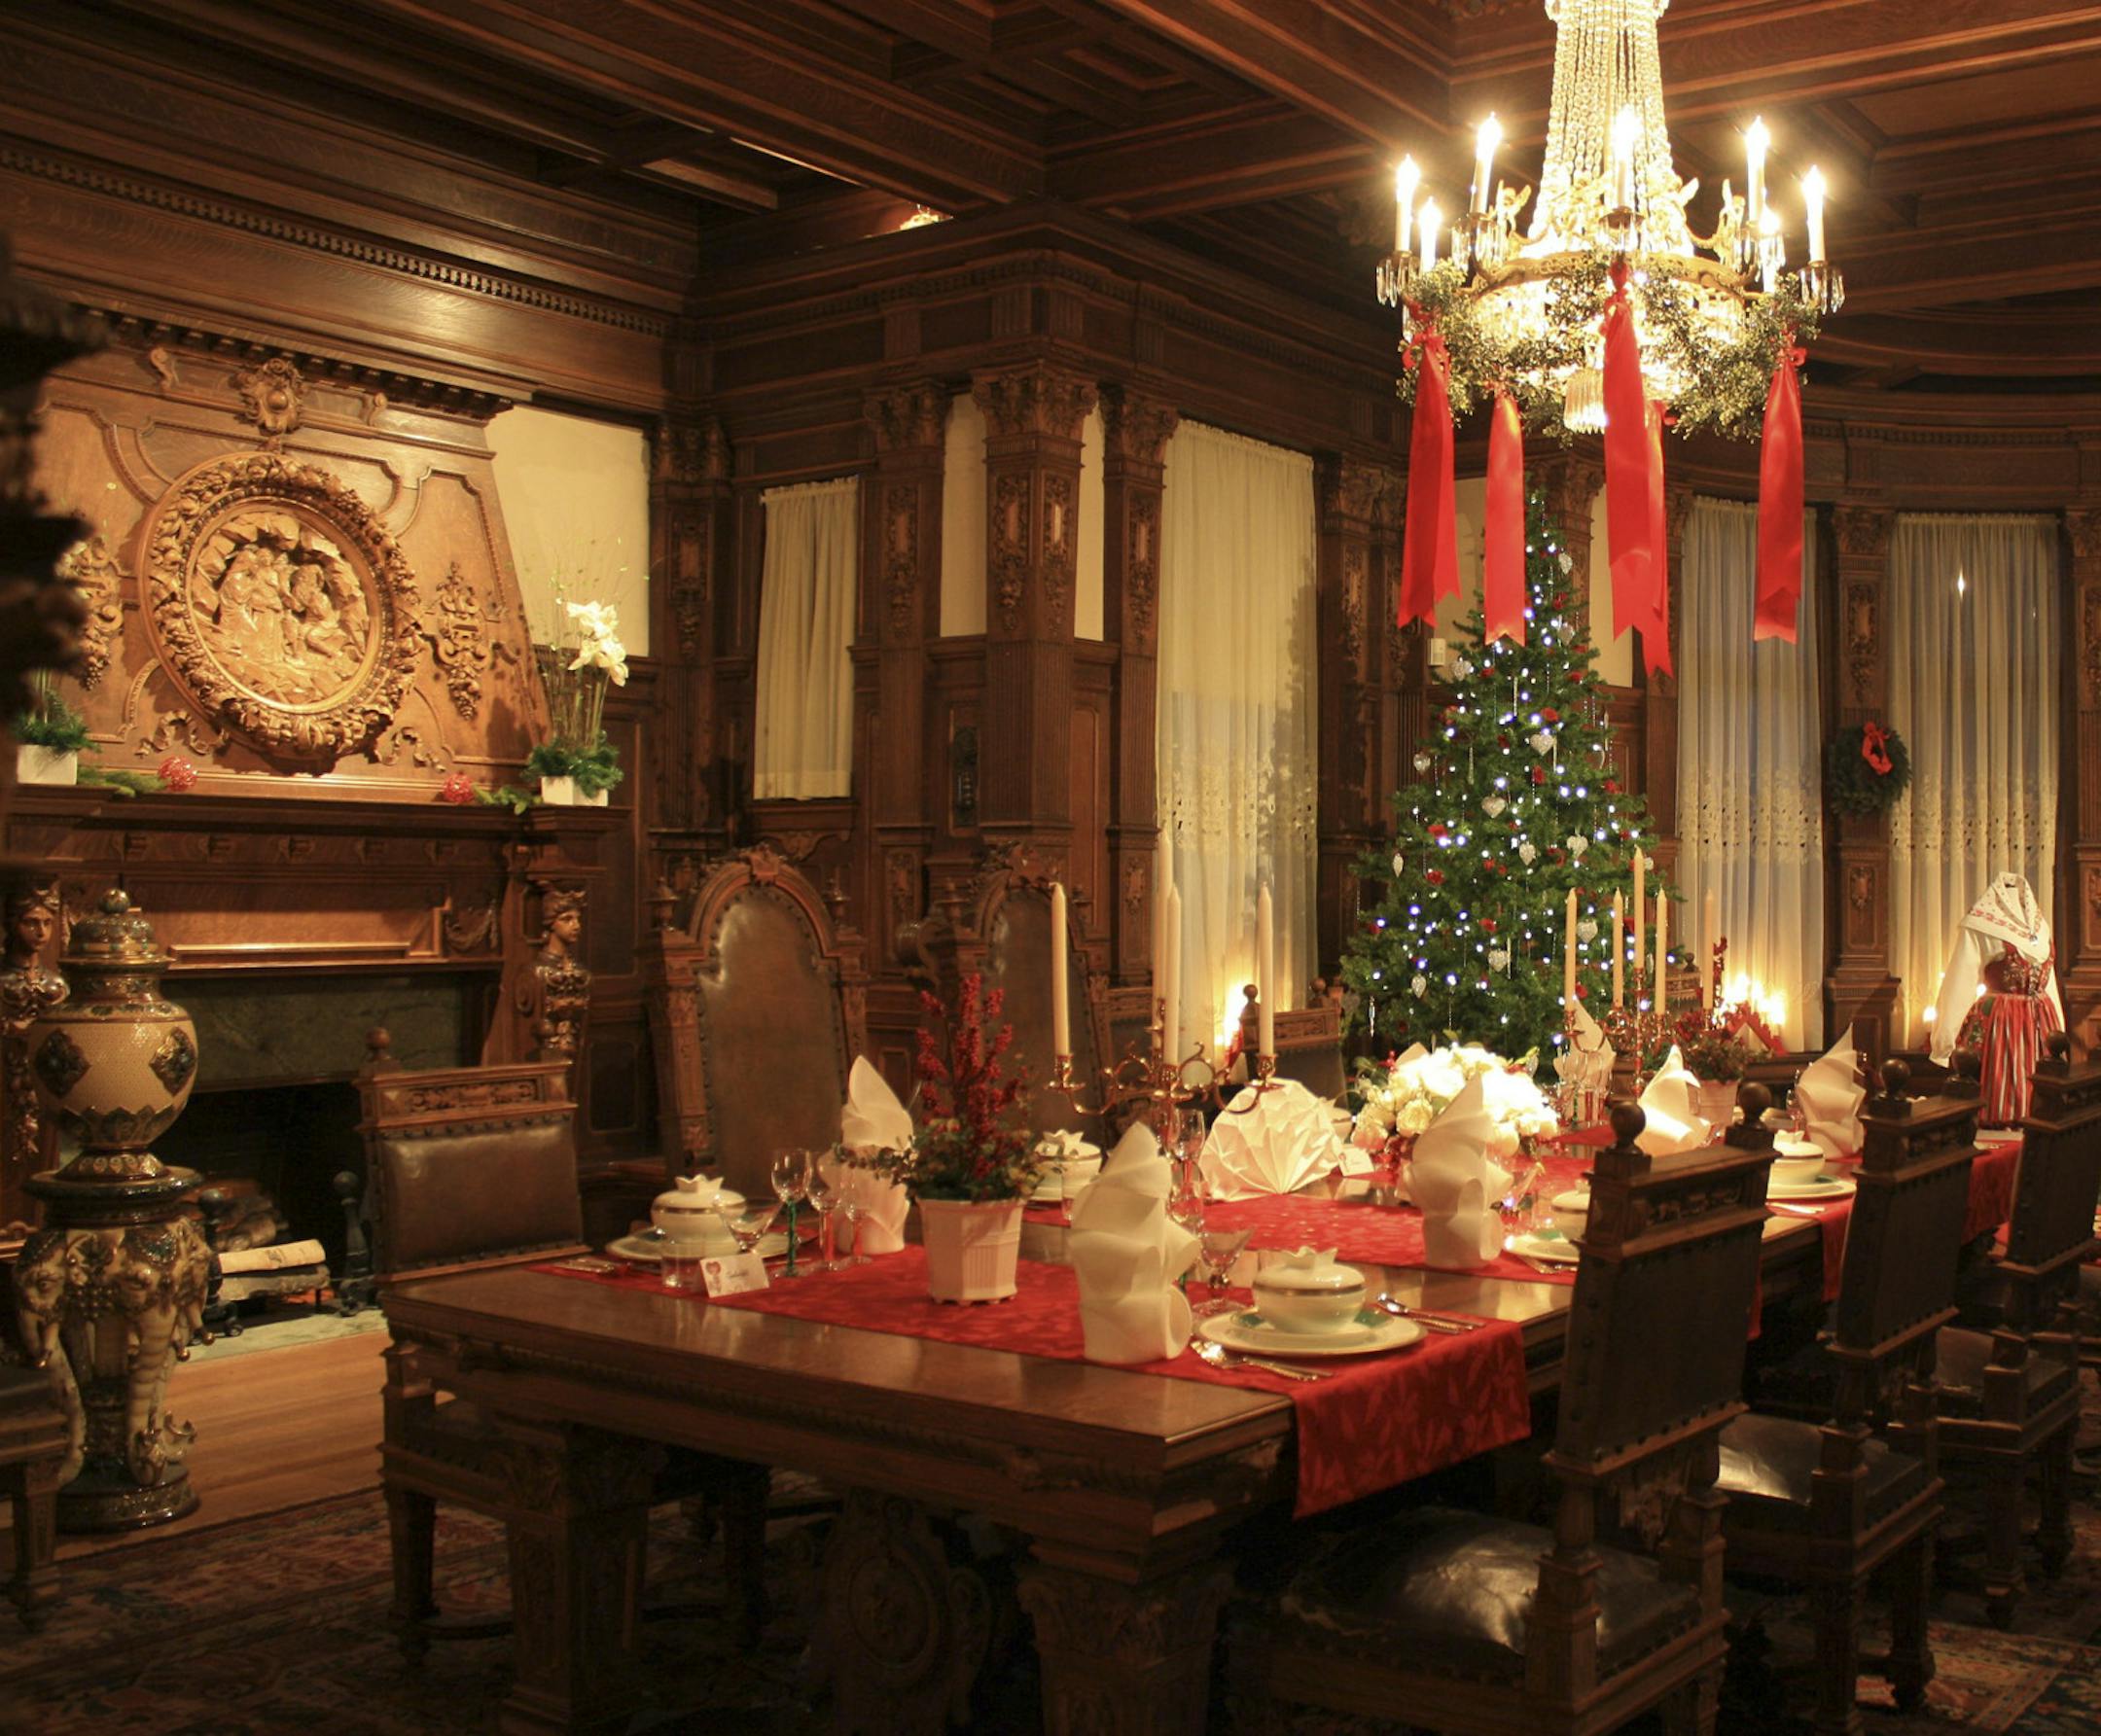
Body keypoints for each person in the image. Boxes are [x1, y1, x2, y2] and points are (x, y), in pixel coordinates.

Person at [1929, 870, 2062, 1126]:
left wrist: (2060, 1031)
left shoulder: (2038, 927)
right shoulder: (1985, 926)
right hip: (2016, 1023)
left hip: (2027, 1021)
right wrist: (1944, 1040)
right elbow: (1961, 981)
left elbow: (2049, 985)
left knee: (2035, 1096)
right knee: (2010, 1093)